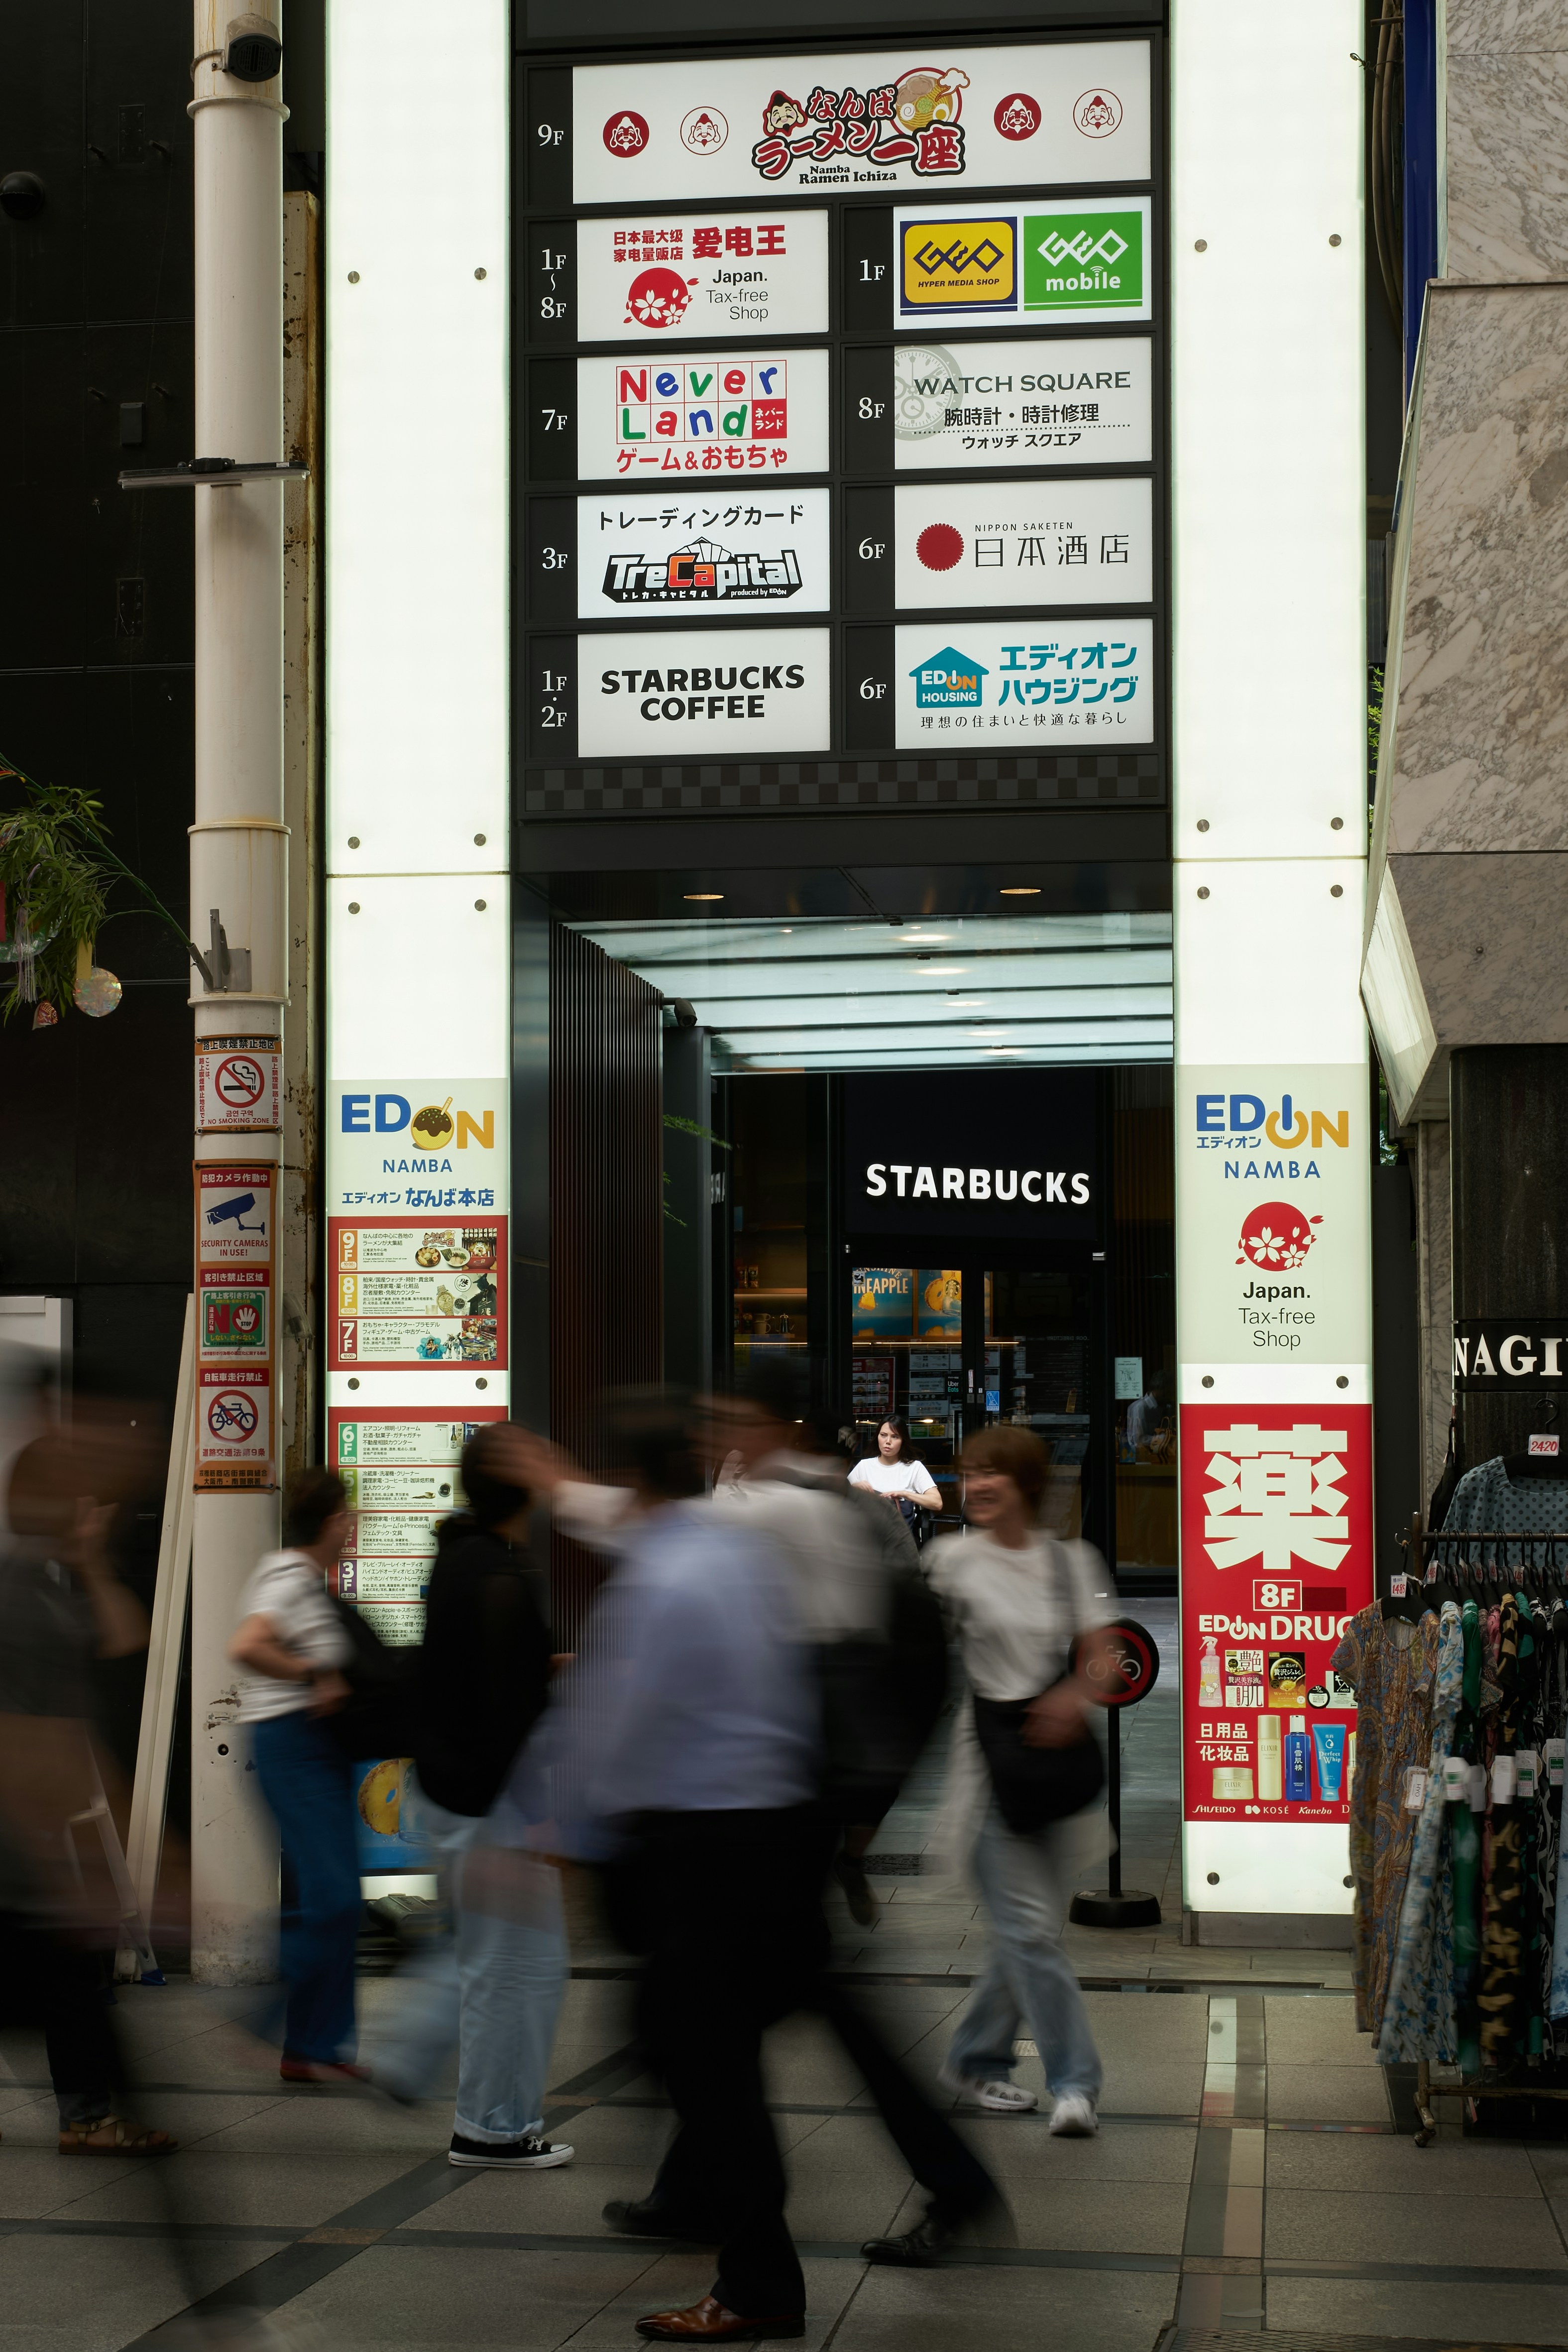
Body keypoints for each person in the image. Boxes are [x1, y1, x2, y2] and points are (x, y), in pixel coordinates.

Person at [365, 1425, 572, 2171]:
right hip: (492, 1805)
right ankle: (489, 2126)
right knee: (518, 1968)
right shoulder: (500, 1573)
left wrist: (534, 1665)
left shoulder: (461, 1557)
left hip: (454, 1794)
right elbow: (502, 1707)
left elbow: (465, 1676)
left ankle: (419, 2063)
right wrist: (534, 1814)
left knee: (492, 1957)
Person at [927, 1423, 1116, 2138]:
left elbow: (1104, 1656)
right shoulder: (948, 1562)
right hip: (987, 1780)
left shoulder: (1069, 1562)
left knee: (1023, 1934)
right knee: (1034, 1931)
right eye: (967, 1471)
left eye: (989, 1473)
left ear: (1026, 1485)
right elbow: (913, 1657)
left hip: (1054, 1776)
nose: (973, 1484)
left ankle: (974, 2058)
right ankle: (1075, 2083)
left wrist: (1073, 1695)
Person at [229, 1468, 363, 2084]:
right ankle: (271, 2013)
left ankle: (314, 2046)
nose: (353, 1524)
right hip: (293, 1746)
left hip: (317, 1750)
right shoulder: (286, 1575)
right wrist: (313, 1675)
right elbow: (249, 1644)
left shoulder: (307, 1582)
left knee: (335, 1897)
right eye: (348, 1514)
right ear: (332, 1521)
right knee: (333, 1896)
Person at [848, 1416, 942, 1537]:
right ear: (877, 1437)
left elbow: (937, 1503)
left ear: (903, 1440)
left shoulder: (914, 1467)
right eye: (883, 1435)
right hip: (866, 1536)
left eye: (895, 1437)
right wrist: (854, 1486)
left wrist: (905, 1494)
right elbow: (837, 1497)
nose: (888, 1441)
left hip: (899, 1538)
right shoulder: (864, 1466)